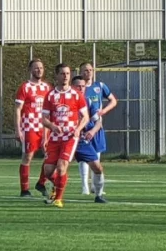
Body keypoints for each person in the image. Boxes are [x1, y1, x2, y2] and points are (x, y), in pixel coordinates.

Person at [39, 64, 89, 209]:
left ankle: (58, 199)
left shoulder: (76, 94)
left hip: (70, 136)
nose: (66, 76)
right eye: (62, 73)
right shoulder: (50, 95)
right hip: (55, 137)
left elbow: (85, 117)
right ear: (57, 75)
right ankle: (57, 187)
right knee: (48, 171)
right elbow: (43, 119)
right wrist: (52, 127)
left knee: (61, 167)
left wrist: (78, 129)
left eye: (68, 73)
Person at [77, 63, 117, 195]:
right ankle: (85, 187)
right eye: (85, 70)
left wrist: (103, 111)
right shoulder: (79, 88)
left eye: (90, 70)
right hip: (82, 126)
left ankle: (95, 186)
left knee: (96, 157)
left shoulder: (99, 86)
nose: (88, 72)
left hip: (96, 126)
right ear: (81, 72)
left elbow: (113, 100)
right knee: (84, 157)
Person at [14, 59, 51, 197]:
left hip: (44, 127)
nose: (39, 70)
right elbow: (18, 109)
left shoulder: (47, 88)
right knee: (28, 157)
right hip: (29, 126)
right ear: (30, 70)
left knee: (50, 157)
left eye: (41, 68)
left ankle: (41, 183)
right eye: (36, 68)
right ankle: (24, 190)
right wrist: (18, 129)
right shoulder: (25, 87)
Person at [71, 75, 107, 203]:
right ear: (71, 87)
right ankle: (54, 194)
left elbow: (98, 122)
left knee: (97, 168)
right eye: (77, 86)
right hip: (66, 139)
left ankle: (98, 195)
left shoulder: (88, 102)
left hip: (81, 141)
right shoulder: (64, 100)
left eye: (83, 86)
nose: (81, 88)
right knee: (57, 167)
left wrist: (92, 131)